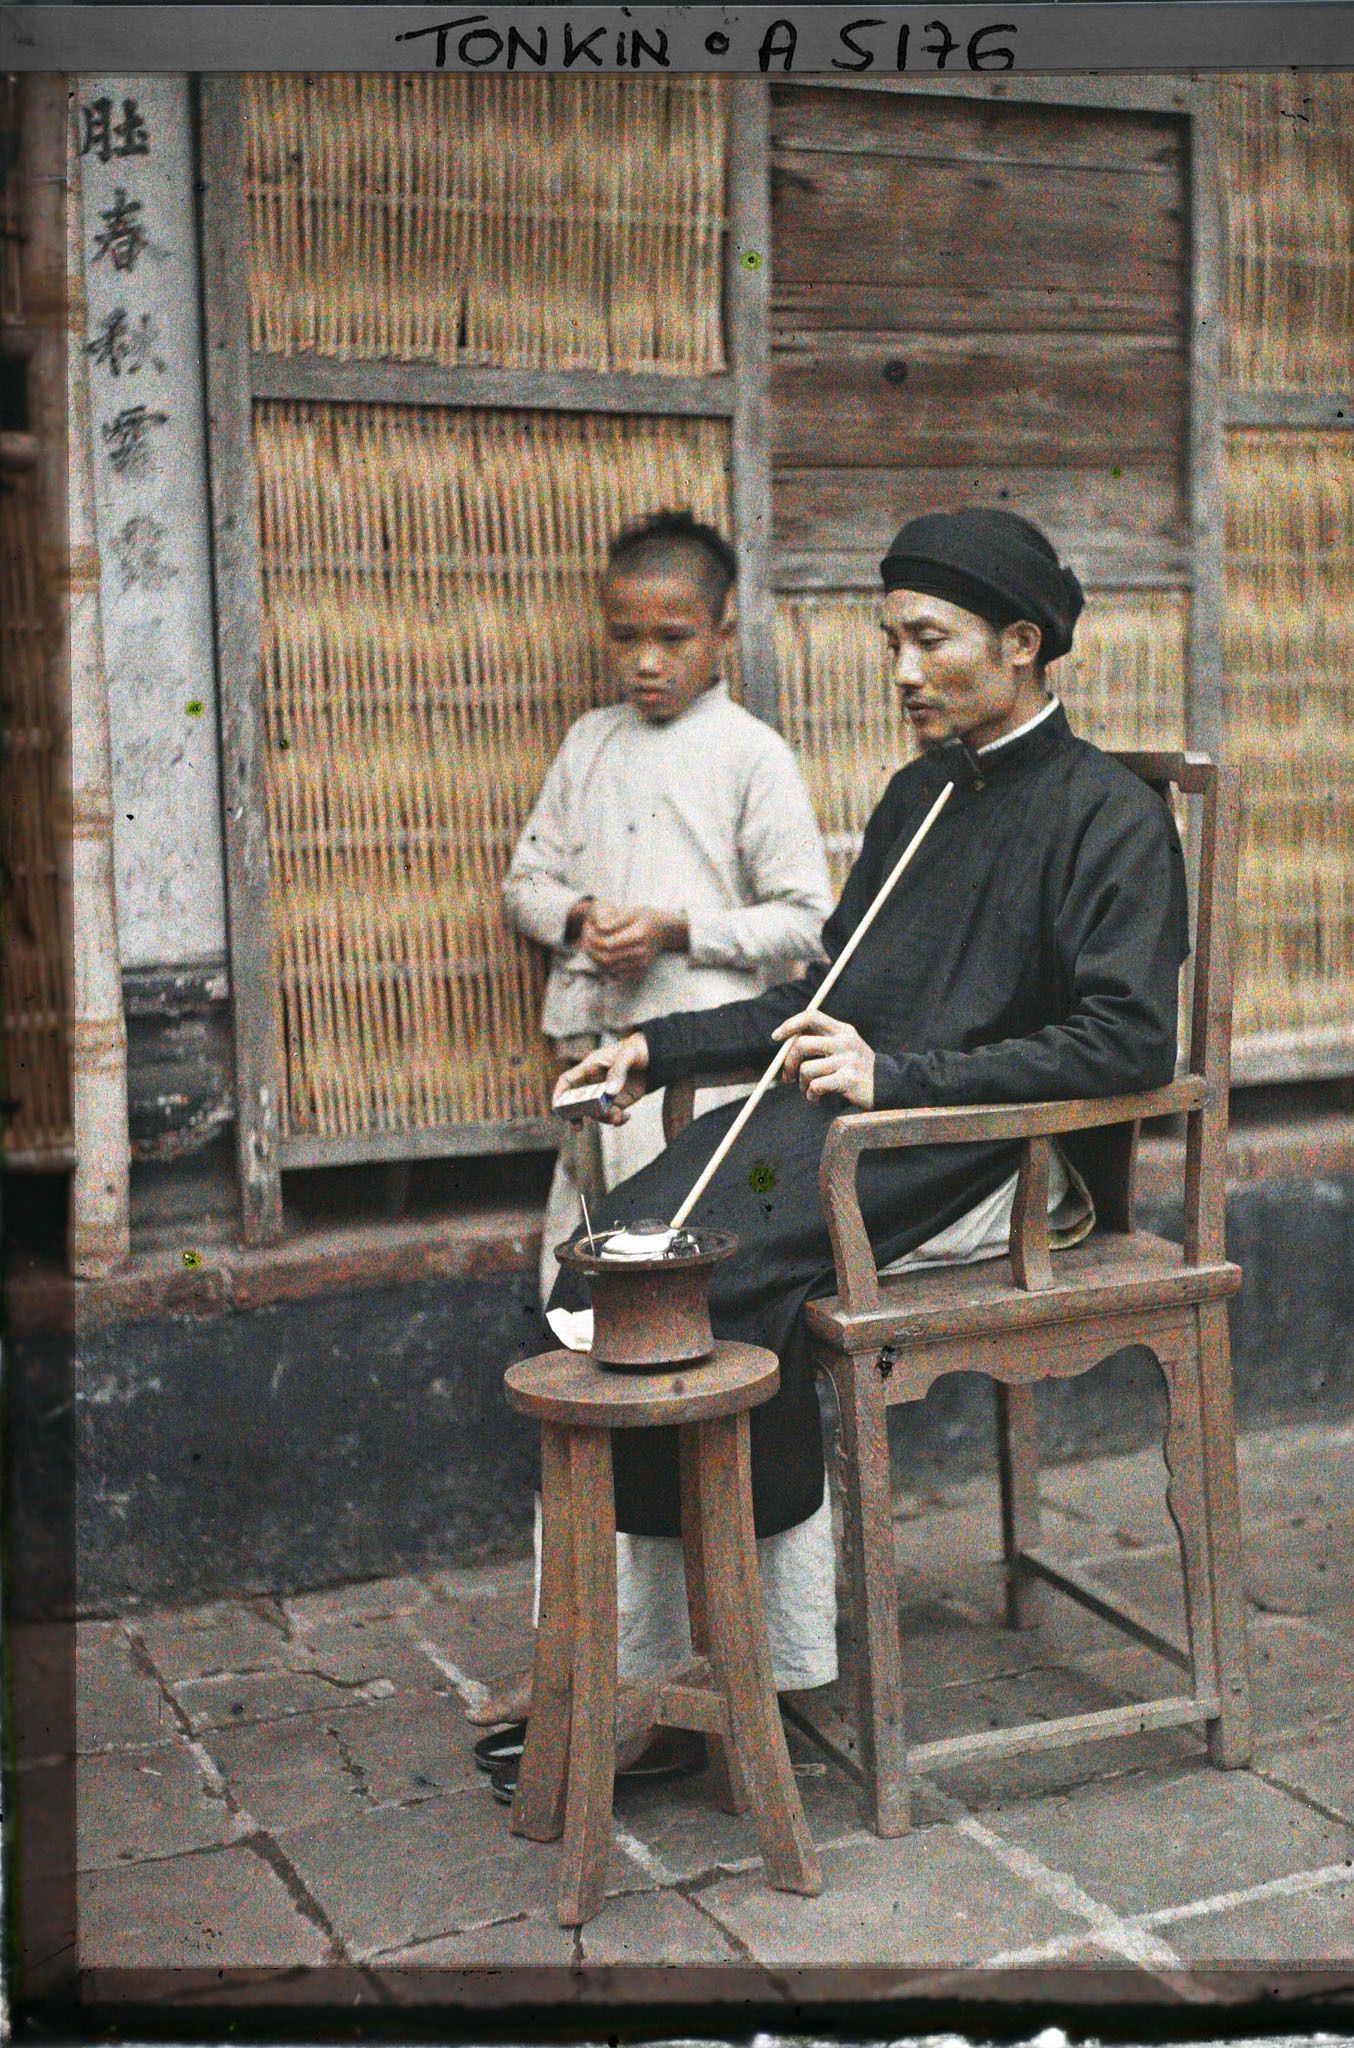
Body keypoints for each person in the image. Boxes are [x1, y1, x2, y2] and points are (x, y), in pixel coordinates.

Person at [546, 506, 1190, 1694]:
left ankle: (759, 1666)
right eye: (892, 640)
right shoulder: (920, 794)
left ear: (1020, 643)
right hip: (861, 1137)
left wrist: (899, 1076)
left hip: (998, 1162)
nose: (902, 670)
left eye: (929, 640)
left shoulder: (1110, 813)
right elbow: (824, 990)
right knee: (622, 1252)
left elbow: (1130, 1040)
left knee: (705, 1277)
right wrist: (653, 1044)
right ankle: (625, 1661)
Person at [476, 510, 832, 1751]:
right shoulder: (589, 742)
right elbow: (524, 881)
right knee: (590, 1347)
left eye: (673, 636)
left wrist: (677, 928)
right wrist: (580, 916)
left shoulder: (751, 755)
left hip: (708, 1100)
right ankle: (598, 1659)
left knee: (701, 1353)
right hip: (602, 1088)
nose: (645, 660)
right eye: (624, 634)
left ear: (723, 630)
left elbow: (807, 922)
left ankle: (738, 1656)